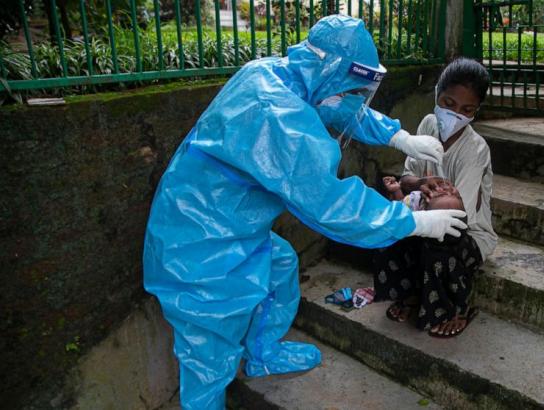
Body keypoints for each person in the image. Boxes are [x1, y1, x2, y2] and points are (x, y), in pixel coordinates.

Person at [143, 15, 468, 410]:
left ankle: (262, 354)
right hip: (199, 245)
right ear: (331, 70)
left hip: (231, 225)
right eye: (350, 85)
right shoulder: (280, 118)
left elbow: (335, 105)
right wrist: (413, 221)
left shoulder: (277, 73)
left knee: (279, 266)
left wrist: (396, 136)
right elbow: (330, 204)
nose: (353, 95)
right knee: (208, 348)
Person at [373, 57, 498, 338]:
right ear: (437, 93)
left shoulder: (474, 151)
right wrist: (420, 183)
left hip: (466, 236)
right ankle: (411, 293)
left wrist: (420, 198)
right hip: (424, 212)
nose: (455, 115)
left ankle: (458, 307)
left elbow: (458, 217)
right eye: (448, 103)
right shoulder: (429, 124)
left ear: (476, 112)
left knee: (440, 233)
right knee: (387, 221)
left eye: (467, 110)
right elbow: (406, 180)